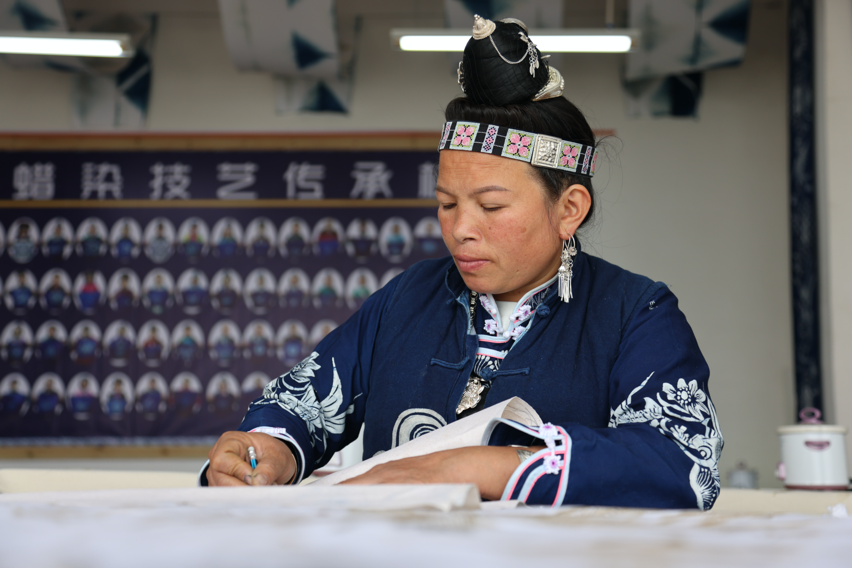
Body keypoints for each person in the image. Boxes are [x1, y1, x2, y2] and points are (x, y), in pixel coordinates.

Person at [204, 16, 722, 510]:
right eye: (447, 203)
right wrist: (267, 449)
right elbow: (303, 405)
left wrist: (476, 467)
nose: (459, 228)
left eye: (491, 206)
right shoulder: (409, 298)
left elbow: (682, 463)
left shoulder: (634, 313)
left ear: (569, 209)